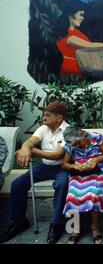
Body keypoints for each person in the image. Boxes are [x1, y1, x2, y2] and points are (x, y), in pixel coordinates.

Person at [0, 101, 69, 244]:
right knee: (18, 183)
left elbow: (58, 155)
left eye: (47, 115)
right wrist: (26, 148)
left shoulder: (71, 130)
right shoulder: (43, 128)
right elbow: (29, 142)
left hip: (62, 167)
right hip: (44, 167)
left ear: (59, 118)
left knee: (62, 184)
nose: (43, 118)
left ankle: (57, 224)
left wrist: (33, 151)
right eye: (44, 115)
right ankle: (18, 220)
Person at [61, 126, 103, 244]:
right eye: (75, 144)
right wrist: (74, 166)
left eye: (79, 142)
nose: (78, 146)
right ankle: (75, 229)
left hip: (98, 171)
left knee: (93, 193)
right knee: (72, 195)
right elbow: (64, 164)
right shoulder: (70, 144)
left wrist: (96, 160)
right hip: (79, 174)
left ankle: (95, 228)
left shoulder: (96, 137)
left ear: (83, 134)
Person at [55, 0, 103, 78]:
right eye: (81, 15)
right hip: (72, 68)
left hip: (82, 67)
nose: (82, 18)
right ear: (70, 13)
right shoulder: (67, 36)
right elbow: (90, 45)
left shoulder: (77, 32)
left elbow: (92, 49)